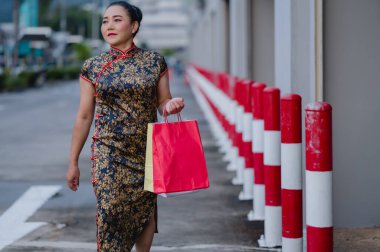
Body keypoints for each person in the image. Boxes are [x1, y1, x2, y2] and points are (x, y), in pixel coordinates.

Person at [65, 1, 185, 251]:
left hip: (148, 151)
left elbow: (162, 102)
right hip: (108, 152)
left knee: (145, 210)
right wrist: (73, 162)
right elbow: (85, 116)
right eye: (105, 20)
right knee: (109, 211)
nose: (109, 25)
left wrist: (171, 106)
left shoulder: (154, 62)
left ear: (134, 26)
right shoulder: (93, 66)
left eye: (117, 19)